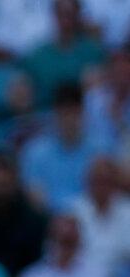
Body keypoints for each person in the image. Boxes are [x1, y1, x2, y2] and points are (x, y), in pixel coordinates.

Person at [21, 83, 112, 211]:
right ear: (55, 112)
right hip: (51, 221)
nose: (69, 117)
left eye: (73, 111)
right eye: (64, 111)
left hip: (94, 218)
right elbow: (35, 197)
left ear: (82, 112)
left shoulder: (102, 149)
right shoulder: (34, 151)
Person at [21, 0, 105, 108]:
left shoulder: (92, 51)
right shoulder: (39, 55)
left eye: (69, 14)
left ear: (78, 15)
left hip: (84, 116)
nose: (65, 20)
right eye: (61, 14)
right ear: (54, 15)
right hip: (46, 114)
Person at [71, 156, 130, 271]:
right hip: (83, 276)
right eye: (97, 181)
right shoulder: (74, 212)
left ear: (115, 183)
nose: (101, 186)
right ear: (88, 182)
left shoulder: (128, 210)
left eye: (106, 181)